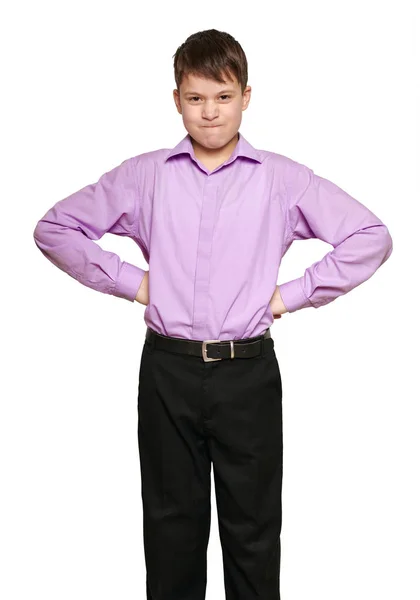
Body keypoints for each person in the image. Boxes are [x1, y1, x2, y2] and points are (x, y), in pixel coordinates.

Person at [33, 28, 393, 600]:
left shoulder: (281, 178)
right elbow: (54, 229)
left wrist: (285, 297)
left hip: (246, 373)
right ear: (176, 98)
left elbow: (369, 236)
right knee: (171, 531)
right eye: (196, 97)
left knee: (252, 533)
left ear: (246, 97)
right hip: (168, 372)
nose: (209, 112)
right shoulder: (144, 175)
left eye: (222, 97)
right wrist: (137, 284)